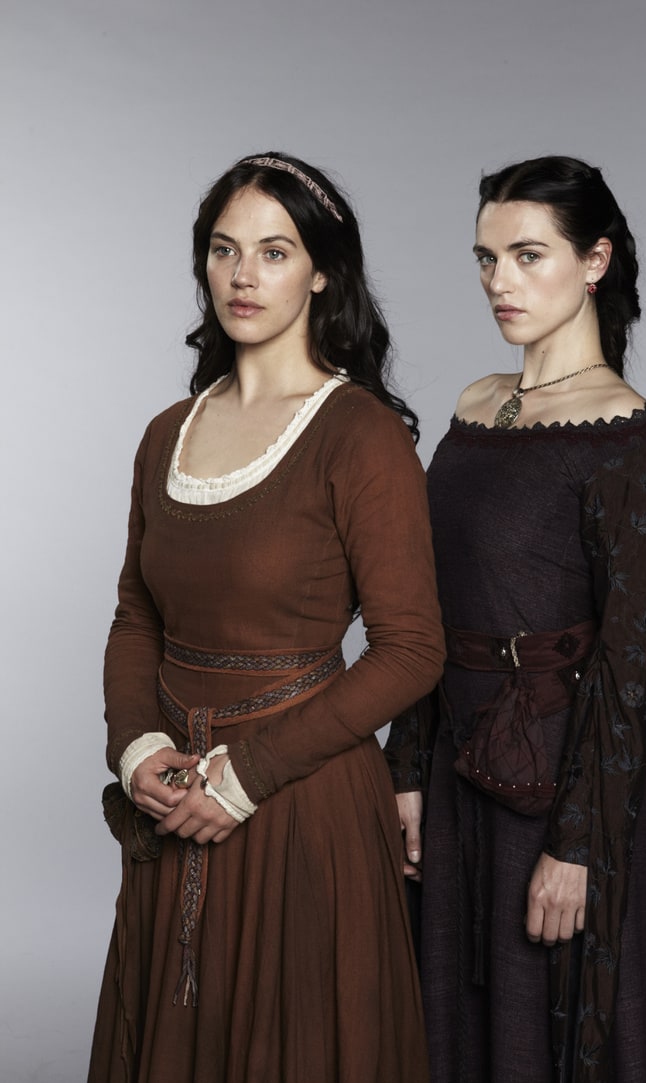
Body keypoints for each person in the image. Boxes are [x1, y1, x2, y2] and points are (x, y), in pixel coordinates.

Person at [89, 152, 445, 1083]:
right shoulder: (167, 433)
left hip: (300, 810)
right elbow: (136, 617)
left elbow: (412, 651)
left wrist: (246, 777)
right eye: (225, 249)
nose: (243, 275)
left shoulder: (361, 435)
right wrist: (137, 749)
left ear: (322, 271)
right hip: (176, 799)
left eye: (275, 252)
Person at [385, 156, 646, 1082]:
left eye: (528, 255)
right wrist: (405, 768)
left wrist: (579, 846)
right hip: (456, 772)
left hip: (566, 785)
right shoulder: (474, 404)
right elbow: (427, 606)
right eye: (487, 258)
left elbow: (631, 665)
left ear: (595, 260)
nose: (501, 281)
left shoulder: (627, 436)